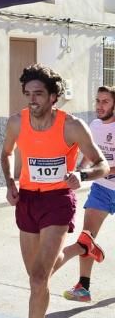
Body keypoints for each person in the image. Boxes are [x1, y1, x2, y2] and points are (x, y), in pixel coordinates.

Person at [1, 64, 109, 318]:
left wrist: (82, 174)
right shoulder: (16, 123)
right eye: (28, 94)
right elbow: (5, 153)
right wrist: (10, 182)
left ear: (53, 97)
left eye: (38, 94)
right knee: (37, 275)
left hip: (57, 201)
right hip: (27, 200)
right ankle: (82, 246)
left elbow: (101, 164)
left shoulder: (71, 126)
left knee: (38, 278)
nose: (32, 100)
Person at [63, 85, 115, 302]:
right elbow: (88, 154)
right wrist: (78, 172)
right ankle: (83, 288)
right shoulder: (93, 125)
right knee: (86, 238)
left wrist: (88, 174)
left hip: (101, 180)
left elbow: (105, 166)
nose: (99, 106)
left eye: (105, 102)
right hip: (102, 190)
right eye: (97, 101)